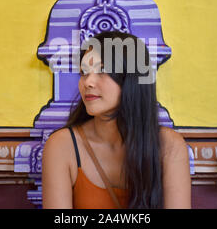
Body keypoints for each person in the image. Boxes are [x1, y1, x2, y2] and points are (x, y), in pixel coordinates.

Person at [42, 31, 191, 209]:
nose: (88, 82)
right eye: (84, 72)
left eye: (102, 70)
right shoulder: (61, 145)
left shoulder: (170, 145)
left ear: (131, 79)